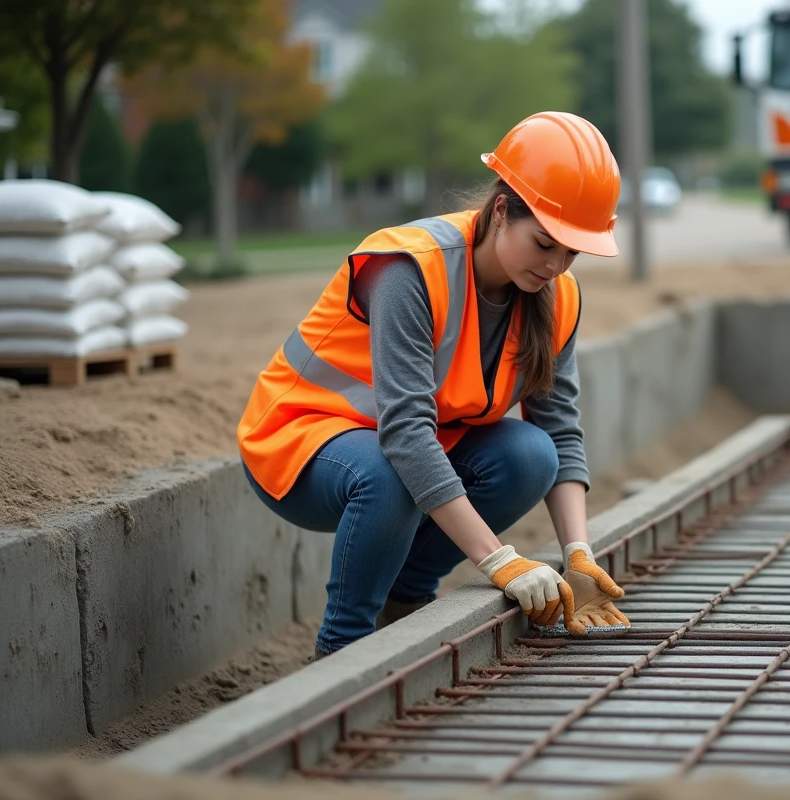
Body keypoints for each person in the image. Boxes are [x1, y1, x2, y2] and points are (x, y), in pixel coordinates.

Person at [236, 111, 631, 660]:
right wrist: (499, 562)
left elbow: (559, 434)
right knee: (391, 472)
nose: (557, 265)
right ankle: (342, 648)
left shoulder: (557, 299)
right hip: (301, 443)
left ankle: (406, 598)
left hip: (403, 449)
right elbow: (406, 435)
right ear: (500, 210)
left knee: (530, 455)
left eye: (572, 252)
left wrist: (579, 553)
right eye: (545, 243)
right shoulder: (411, 268)